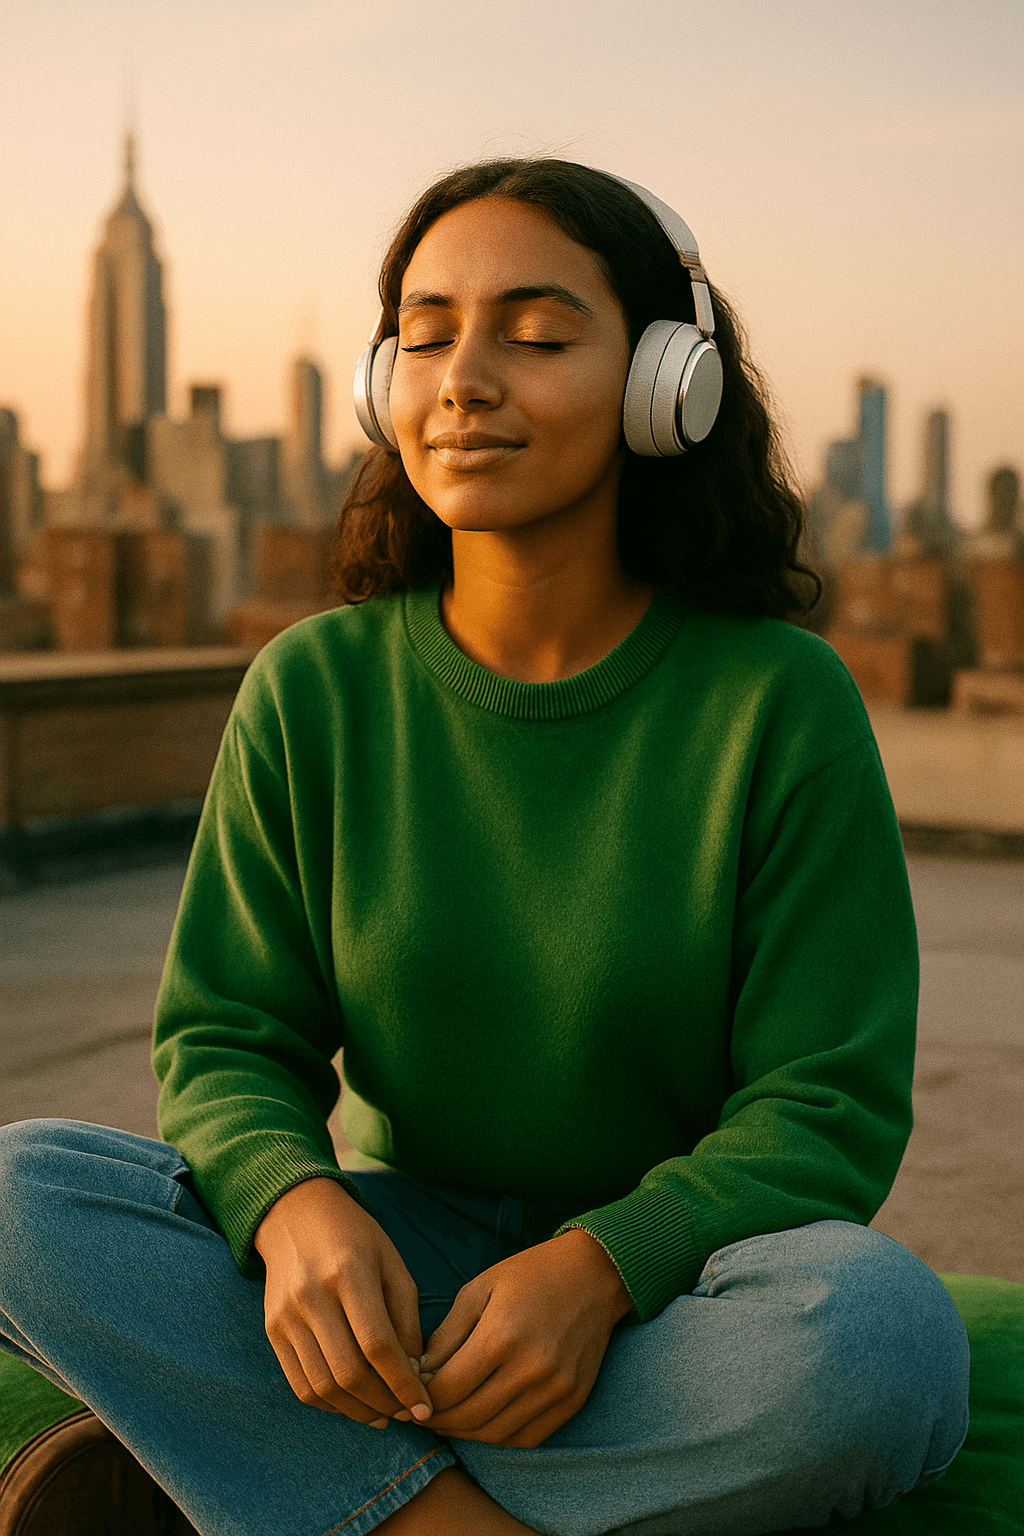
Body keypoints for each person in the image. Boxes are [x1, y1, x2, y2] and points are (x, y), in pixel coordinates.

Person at [0, 159, 970, 1536]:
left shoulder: (779, 702)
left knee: (880, 1343)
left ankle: (277, 1478)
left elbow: (828, 1104)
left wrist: (597, 1269)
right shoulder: (313, 686)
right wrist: (293, 1208)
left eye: (536, 331)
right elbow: (224, 1041)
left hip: (676, 1290)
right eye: (427, 330)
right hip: (409, 1275)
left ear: (664, 381)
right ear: (379, 382)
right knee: (16, 1196)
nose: (464, 377)